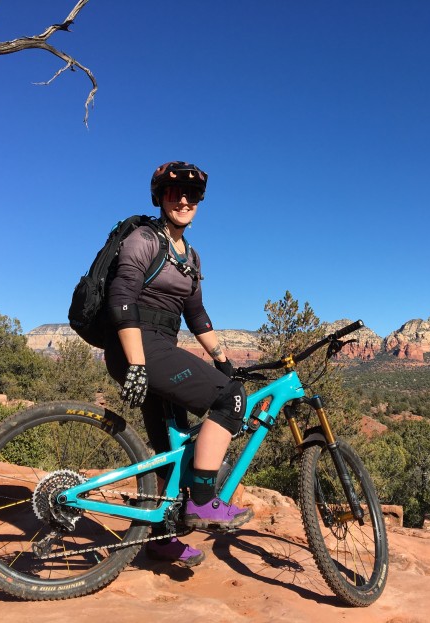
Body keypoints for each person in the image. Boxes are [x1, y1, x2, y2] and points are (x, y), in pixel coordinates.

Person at [103, 161, 252, 568]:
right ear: (160, 197)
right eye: (174, 192)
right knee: (232, 401)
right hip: (138, 346)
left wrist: (222, 361)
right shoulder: (144, 239)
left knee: (169, 446)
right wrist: (136, 363)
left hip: (154, 349)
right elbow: (121, 297)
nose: (184, 199)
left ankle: (162, 537)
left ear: (200, 202)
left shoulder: (190, 256)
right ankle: (203, 501)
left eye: (192, 194)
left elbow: (196, 313)